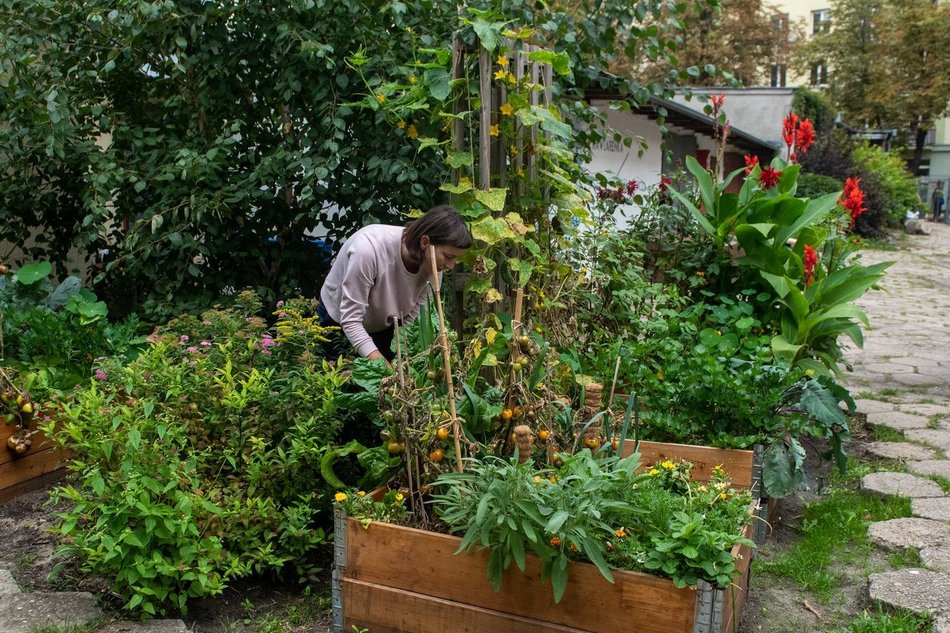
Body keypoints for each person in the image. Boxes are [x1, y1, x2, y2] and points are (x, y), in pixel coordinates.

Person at [318, 205, 473, 362]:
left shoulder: (433, 267)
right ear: (425, 242)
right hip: (338, 321)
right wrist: (384, 370)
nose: (451, 266)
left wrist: (401, 359)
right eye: (448, 256)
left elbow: (413, 322)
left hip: (383, 324)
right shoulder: (368, 250)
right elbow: (350, 320)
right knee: (339, 381)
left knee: (389, 379)